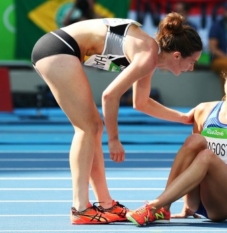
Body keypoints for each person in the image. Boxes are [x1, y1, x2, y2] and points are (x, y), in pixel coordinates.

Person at [31, 13, 203, 224]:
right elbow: (110, 95)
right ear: (177, 55)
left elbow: (141, 102)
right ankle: (80, 208)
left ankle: (106, 204)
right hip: (58, 48)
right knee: (87, 127)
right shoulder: (148, 56)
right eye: (192, 61)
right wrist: (114, 139)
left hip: (59, 48)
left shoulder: (150, 56)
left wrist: (183, 117)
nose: (191, 68)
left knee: (92, 127)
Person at [126, 59, 227, 226]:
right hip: (198, 199)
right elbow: (190, 158)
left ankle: (154, 205)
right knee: (195, 140)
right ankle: (164, 207)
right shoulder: (204, 110)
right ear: (226, 80)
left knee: (207, 157)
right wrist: (186, 206)